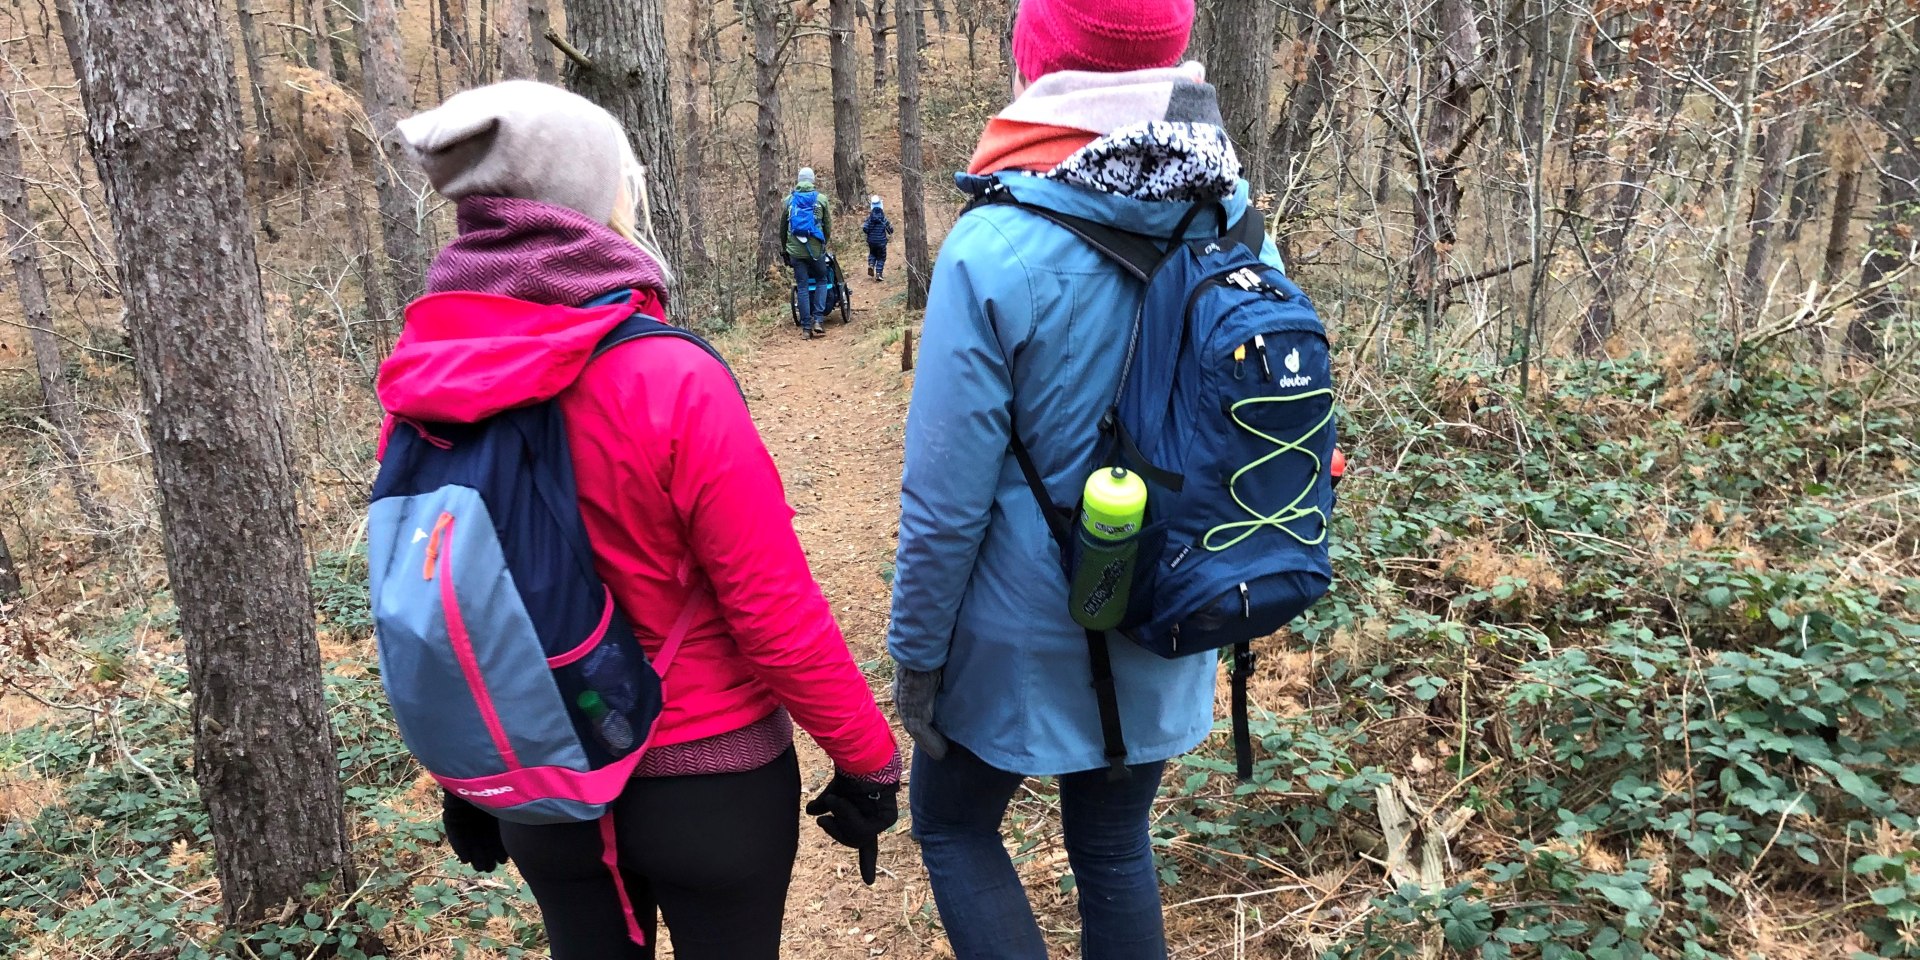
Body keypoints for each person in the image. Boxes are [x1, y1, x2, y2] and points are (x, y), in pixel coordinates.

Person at [381, 81, 900, 960]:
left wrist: (466, 775)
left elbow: (436, 606)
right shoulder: (670, 377)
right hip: (712, 786)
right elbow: (774, 613)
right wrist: (867, 759)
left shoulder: (424, 380)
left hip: (545, 782)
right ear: (593, 196)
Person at [884, 0, 1285, 956]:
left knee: (951, 824)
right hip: (1168, 604)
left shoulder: (994, 242)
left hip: (1014, 637)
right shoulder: (1234, 223)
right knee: (1112, 839)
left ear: (1039, 54)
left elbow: (944, 504)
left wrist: (917, 658)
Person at [785, 167, 834, 336]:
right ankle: (818, 319)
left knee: (803, 286)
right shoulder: (821, 199)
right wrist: (823, 243)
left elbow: (783, 228)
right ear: (812, 180)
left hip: (796, 252)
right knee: (821, 279)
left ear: (799, 181)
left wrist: (786, 248)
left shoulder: (789, 200)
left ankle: (806, 327)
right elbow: (827, 225)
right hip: (816, 250)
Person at [861, 195, 894, 281]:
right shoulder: (883, 218)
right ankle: (879, 274)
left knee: (872, 253)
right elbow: (890, 230)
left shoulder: (869, 219)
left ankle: (871, 264)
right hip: (881, 242)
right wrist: (890, 230)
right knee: (881, 257)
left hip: (871, 241)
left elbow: (865, 228)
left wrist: (869, 233)